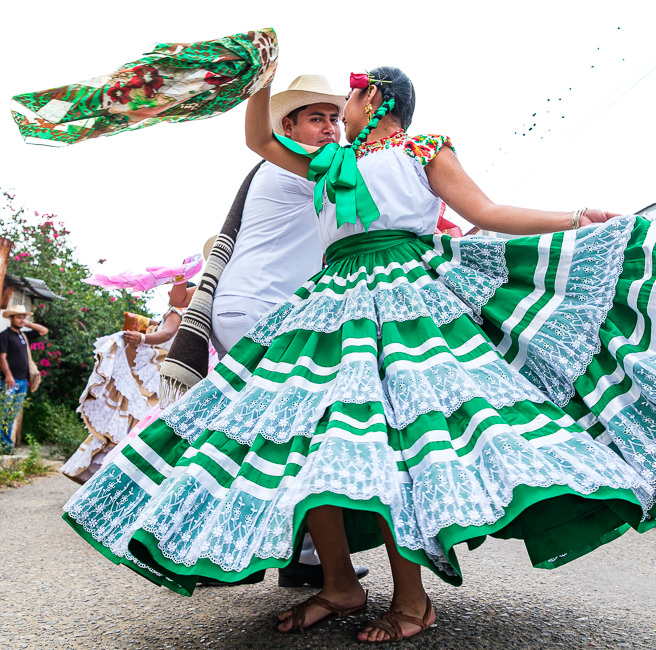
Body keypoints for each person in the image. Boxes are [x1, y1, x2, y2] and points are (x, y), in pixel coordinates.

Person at [63, 65, 656, 644]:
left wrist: (576, 218)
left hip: (406, 296)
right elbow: (257, 138)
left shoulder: (424, 147)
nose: (334, 118)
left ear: (371, 97)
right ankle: (341, 585)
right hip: (329, 299)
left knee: (397, 443)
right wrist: (261, 76)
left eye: (342, 103)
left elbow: (487, 214)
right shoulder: (328, 162)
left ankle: (412, 598)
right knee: (305, 433)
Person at [167, 74, 368, 589]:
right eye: (316, 118)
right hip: (260, 310)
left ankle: (290, 553)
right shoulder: (296, 167)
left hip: (258, 308)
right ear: (289, 127)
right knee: (296, 431)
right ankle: (214, 548)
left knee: (274, 433)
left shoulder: (304, 167)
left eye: (333, 118)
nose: (329, 129)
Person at [61, 284, 193, 484]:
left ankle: (100, 470)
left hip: (153, 370)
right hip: (163, 370)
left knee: (130, 416)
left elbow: (165, 335)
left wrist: (142, 337)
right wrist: (148, 323)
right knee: (137, 419)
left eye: (175, 289)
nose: (169, 292)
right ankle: (116, 472)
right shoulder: (194, 317)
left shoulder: (177, 311)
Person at [0, 304, 48, 453]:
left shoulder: (23, 335)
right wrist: (9, 375)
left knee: (12, 415)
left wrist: (27, 323)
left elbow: (43, 331)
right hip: (8, 381)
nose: (21, 319)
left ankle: (6, 446)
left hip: (22, 382)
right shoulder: (4, 337)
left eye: (23, 317)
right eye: (18, 317)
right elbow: (2, 358)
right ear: (10, 318)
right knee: (2, 412)